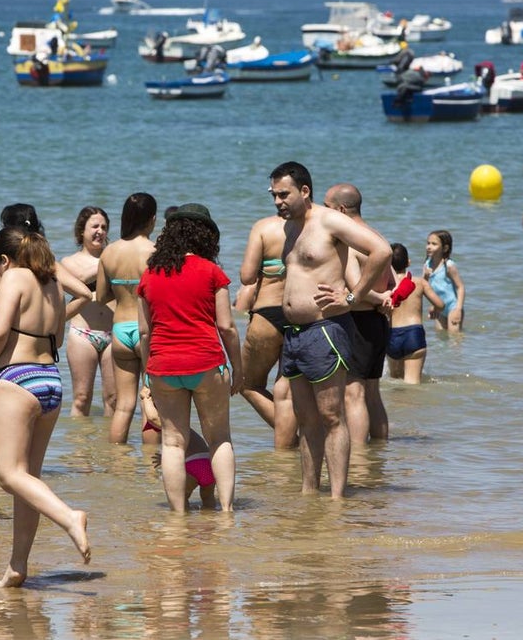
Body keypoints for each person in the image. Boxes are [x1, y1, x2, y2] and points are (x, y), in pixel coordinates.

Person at [268, 162, 392, 498]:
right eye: (274, 195)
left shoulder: (329, 220)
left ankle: (337, 498)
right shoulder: (290, 229)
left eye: (284, 194)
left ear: (304, 191)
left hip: (325, 330)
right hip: (294, 333)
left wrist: (352, 297)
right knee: (306, 420)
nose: (278, 201)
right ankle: (310, 494)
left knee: (332, 416)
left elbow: (381, 251)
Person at [0, 226, 90, 587]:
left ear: (5, 259)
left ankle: (70, 517)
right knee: (28, 479)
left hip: (18, 379)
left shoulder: (14, 277)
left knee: (9, 475)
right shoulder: (52, 284)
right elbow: (58, 336)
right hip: (50, 381)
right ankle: (17, 565)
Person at [137, 203, 242, 512]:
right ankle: (225, 512)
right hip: (207, 363)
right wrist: (238, 368)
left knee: (172, 442)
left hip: (164, 366)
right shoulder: (211, 272)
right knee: (219, 438)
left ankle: (178, 515)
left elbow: (145, 332)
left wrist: (148, 372)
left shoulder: (150, 275)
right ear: (206, 237)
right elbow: (226, 326)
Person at [324, 183, 396, 442]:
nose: (324, 213)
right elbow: (393, 282)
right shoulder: (377, 236)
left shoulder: (352, 242)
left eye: (328, 208)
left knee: (352, 393)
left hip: (359, 321)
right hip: (377, 322)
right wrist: (387, 298)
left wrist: (377, 299)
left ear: (341, 209)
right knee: (372, 392)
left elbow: (357, 287)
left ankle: (357, 457)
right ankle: (379, 452)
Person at [97, 193, 158, 444]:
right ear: (152, 219)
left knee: (124, 406)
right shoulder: (156, 251)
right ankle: (151, 464)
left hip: (120, 330)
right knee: (150, 401)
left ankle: (117, 463)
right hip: (148, 330)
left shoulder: (110, 252)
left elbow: (101, 296)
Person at [236, 212, 298, 449]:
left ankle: (291, 442)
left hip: (267, 313)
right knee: (287, 392)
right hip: (301, 314)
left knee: (245, 384)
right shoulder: (315, 224)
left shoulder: (263, 227)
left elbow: (247, 276)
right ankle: (292, 446)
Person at [60, 206, 115, 417]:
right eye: (94, 226)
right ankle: (79, 448)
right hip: (83, 335)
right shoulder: (69, 262)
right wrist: (109, 261)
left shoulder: (113, 258)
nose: (99, 231)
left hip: (113, 333)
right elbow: (78, 280)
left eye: (104, 227)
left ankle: (110, 449)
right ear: (81, 231)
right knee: (82, 398)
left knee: (113, 399)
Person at [138, 384, 217, 509]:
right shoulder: (182, 426)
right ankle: (211, 522)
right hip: (208, 463)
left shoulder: (169, 424)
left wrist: (145, 399)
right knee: (208, 499)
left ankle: (183, 522)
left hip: (193, 465)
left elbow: (153, 418)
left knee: (182, 498)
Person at [384, 243, 445, 385]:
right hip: (413, 334)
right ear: (408, 262)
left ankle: (395, 407)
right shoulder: (419, 282)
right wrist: (434, 310)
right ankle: (412, 407)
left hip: (392, 334)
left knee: (394, 382)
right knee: (412, 385)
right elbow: (440, 304)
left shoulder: (385, 284)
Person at [423, 230, 465, 332]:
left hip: (453, 307)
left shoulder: (449, 266)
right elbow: (425, 287)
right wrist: (433, 305)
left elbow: (460, 287)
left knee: (454, 338)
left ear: (445, 248)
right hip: (439, 308)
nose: (429, 246)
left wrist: (458, 309)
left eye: (434, 244)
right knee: (441, 337)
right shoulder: (427, 264)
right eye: (428, 243)